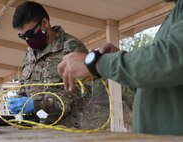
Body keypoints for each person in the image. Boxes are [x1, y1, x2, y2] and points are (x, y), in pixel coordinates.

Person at [58, 0, 183, 135]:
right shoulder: (175, 13)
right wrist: (115, 60)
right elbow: (156, 80)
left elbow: (171, 58)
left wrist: (95, 62)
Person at [7, 1, 91, 128]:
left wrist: (36, 104)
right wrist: (18, 102)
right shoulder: (30, 53)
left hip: (64, 131)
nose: (28, 40)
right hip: (33, 130)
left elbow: (81, 93)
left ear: (44, 23)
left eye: (30, 34)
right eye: (23, 37)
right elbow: (25, 87)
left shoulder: (72, 48)